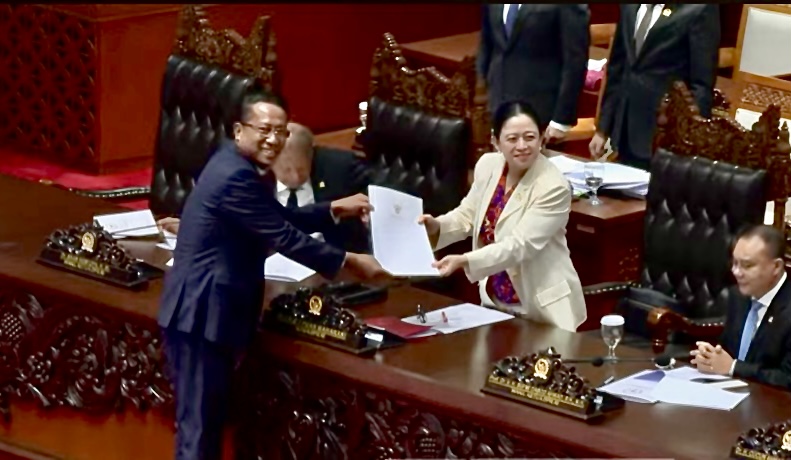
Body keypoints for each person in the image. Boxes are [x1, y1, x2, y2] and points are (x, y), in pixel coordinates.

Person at [157, 89, 385, 460]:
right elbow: (283, 236)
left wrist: (332, 210)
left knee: (209, 426)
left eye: (281, 131)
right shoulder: (234, 176)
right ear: (239, 130)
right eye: (264, 130)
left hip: (216, 312)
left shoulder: (243, 167)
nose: (274, 139)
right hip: (201, 314)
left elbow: (278, 218)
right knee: (198, 432)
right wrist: (349, 260)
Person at [418, 100, 586, 332]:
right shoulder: (488, 165)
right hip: (494, 301)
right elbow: (468, 215)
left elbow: (519, 246)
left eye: (530, 137)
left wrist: (465, 260)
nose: (522, 146)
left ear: (542, 138)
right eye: (512, 139)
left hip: (542, 309)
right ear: (495, 141)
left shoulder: (553, 186)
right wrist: (437, 226)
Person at [589, 4, 721, 169]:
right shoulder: (629, 6)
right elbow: (618, 68)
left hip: (666, 137)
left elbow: (701, 85)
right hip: (625, 130)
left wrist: (692, 143)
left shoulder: (700, 9)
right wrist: (603, 128)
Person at [691, 224, 791, 389]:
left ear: (776, 267)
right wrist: (710, 357)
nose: (736, 272)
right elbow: (727, 350)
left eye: (747, 265)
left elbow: (787, 378)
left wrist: (733, 367)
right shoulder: (738, 296)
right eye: (734, 263)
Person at [477, 4, 590, 145]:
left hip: (542, 114)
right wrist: (484, 90)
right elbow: (487, 43)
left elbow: (575, 61)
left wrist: (561, 120)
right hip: (499, 106)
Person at [271, 122, 372, 253]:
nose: (295, 177)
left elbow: (374, 190)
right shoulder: (251, 178)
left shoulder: (341, 167)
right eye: (287, 170)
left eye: (301, 169)